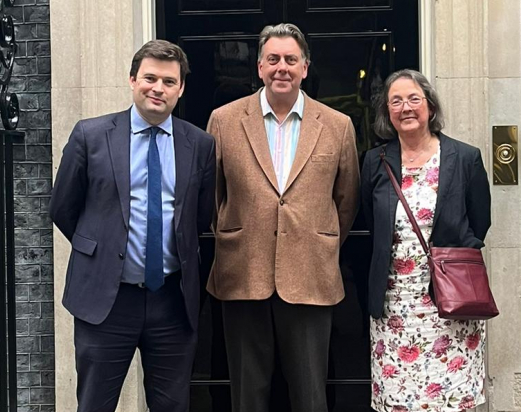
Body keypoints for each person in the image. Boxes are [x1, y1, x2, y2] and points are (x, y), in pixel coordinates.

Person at [50, 40, 215, 412]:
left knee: (172, 406)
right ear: (132, 80)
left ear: (181, 88)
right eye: (150, 78)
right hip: (106, 301)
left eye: (169, 81)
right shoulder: (90, 136)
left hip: (172, 302)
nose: (158, 88)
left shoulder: (200, 145)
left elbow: (200, 218)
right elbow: (63, 208)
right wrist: (101, 249)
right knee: (95, 405)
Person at [205, 23, 360, 412]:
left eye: (291, 59)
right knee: (247, 396)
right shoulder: (224, 120)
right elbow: (210, 196)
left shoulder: (338, 126)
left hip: (310, 272)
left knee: (310, 395)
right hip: (243, 272)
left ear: (305, 67)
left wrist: (318, 240)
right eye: (273, 59)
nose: (282, 68)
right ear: (259, 67)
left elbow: (347, 199)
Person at [360, 69, 490, 412]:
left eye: (414, 98)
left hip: (451, 303)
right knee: (400, 398)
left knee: (449, 399)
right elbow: (370, 221)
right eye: (396, 101)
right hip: (394, 304)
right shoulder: (376, 161)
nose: (406, 107)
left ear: (430, 106)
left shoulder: (465, 158)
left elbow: (480, 222)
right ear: (387, 112)